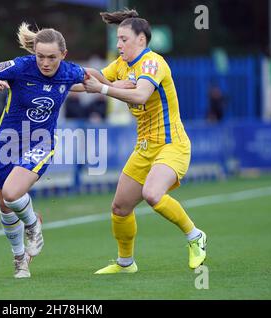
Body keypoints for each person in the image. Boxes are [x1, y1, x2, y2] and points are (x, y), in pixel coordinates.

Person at [0, 22, 110, 278]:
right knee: (4, 204)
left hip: (40, 142)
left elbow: (91, 73)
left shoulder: (69, 72)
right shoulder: (20, 66)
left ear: (63, 55)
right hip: (6, 141)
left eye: (52, 57)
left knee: (12, 193)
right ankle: (20, 258)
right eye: (40, 56)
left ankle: (33, 225)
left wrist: (115, 86)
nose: (45, 62)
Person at [82, 9, 207, 274]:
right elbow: (89, 81)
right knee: (120, 207)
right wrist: (51, 79)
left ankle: (194, 235)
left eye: (123, 39)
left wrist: (103, 88)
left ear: (141, 40)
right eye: (118, 39)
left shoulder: (152, 63)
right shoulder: (121, 65)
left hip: (171, 144)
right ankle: (126, 263)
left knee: (152, 194)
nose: (118, 45)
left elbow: (139, 95)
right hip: (145, 147)